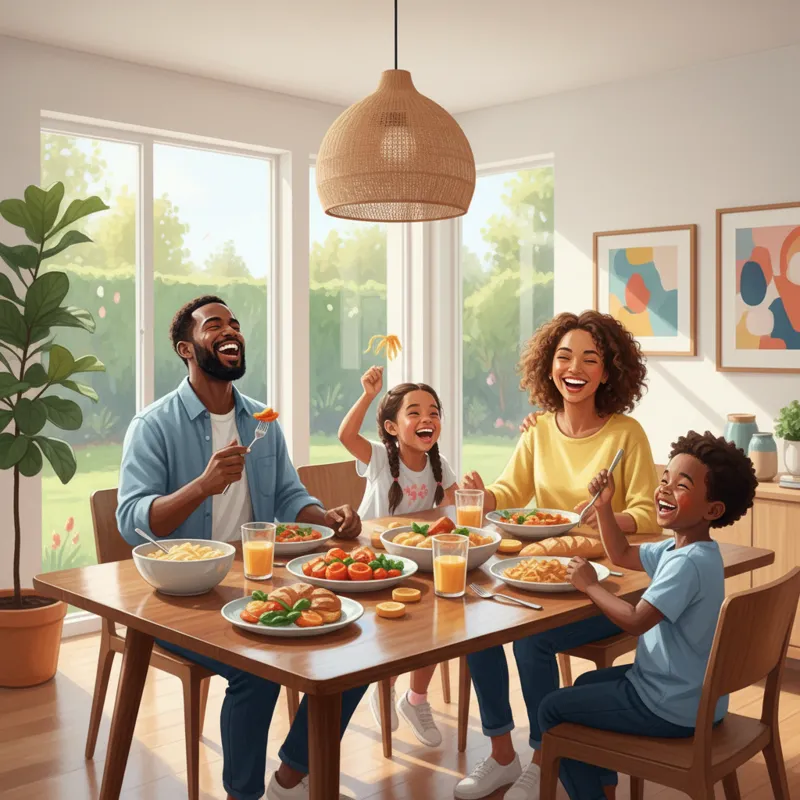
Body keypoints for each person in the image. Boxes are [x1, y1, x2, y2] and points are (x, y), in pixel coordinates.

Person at [117, 295, 366, 800]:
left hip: (261, 584)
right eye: (215, 325)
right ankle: (243, 795)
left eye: (234, 322)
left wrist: (327, 518)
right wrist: (201, 487)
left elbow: (291, 494)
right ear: (187, 349)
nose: (230, 330)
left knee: (356, 648)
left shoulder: (262, 420)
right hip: (181, 599)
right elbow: (130, 519)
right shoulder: (154, 425)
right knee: (256, 671)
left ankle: (291, 779)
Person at [455, 310, 659, 800]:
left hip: (607, 583)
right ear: (549, 366)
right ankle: (503, 755)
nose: (576, 367)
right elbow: (511, 489)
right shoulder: (540, 429)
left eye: (591, 359)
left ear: (608, 372)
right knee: (474, 622)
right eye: (565, 356)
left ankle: (545, 756)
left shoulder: (625, 434)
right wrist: (482, 497)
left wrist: (605, 516)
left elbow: (648, 514)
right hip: (542, 571)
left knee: (531, 642)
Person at [539, 430, 758, 799]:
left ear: (712, 510)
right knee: (582, 687)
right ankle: (606, 789)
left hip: (667, 706)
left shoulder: (686, 564)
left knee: (551, 709)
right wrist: (605, 506)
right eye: (665, 479)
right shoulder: (689, 549)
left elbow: (636, 619)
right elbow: (623, 553)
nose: (665, 490)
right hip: (694, 696)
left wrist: (590, 585)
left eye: (681, 485)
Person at [338, 365, 458, 747]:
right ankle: (384, 686)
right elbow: (345, 435)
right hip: (378, 565)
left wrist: (476, 493)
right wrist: (368, 395)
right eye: (415, 412)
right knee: (395, 635)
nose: (427, 419)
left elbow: (456, 513)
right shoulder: (377, 458)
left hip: (420, 565)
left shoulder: (440, 465)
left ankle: (416, 699)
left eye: (434, 412)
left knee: (442, 625)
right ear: (392, 427)